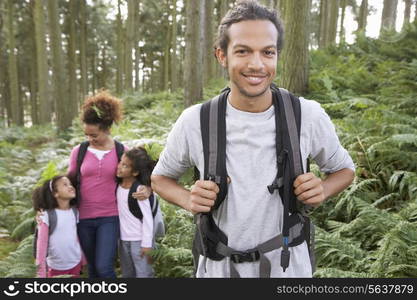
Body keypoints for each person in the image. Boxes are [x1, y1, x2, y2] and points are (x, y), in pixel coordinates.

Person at [151, 0, 355, 278]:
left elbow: (344, 170)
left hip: (289, 270)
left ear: (277, 55)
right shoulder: (195, 121)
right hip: (217, 270)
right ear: (222, 55)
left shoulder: (306, 115)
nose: (257, 64)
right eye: (243, 51)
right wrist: (188, 200)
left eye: (267, 52)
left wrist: (322, 190)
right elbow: (160, 178)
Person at [67, 91, 151, 278]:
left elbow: (141, 175)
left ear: (107, 129)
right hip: (83, 218)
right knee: (93, 270)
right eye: (86, 134)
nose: (90, 139)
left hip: (110, 218)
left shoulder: (122, 151)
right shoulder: (78, 152)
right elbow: (68, 182)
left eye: (94, 135)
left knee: (104, 267)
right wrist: (47, 204)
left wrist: (148, 188)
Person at [116, 147, 156, 278]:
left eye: (125, 166)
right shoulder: (117, 186)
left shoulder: (139, 190)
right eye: (120, 162)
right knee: (127, 274)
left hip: (139, 241)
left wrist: (146, 244)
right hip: (123, 240)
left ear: (135, 172)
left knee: (143, 274)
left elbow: (147, 218)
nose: (119, 167)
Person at [33, 175, 84, 278]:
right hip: (55, 266)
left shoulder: (75, 212)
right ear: (55, 193)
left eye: (70, 184)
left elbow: (75, 237)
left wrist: (82, 259)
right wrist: (41, 272)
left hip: (75, 262)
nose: (70, 186)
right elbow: (41, 245)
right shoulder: (47, 215)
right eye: (65, 185)